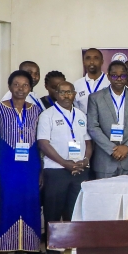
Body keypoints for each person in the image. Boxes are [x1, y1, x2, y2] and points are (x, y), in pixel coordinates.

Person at [0, 70, 42, 254]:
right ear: (9, 86)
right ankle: (3, 252)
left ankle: (23, 249)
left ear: (30, 88)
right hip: (6, 163)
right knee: (6, 204)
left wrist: (41, 169)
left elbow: (40, 141)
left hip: (30, 165)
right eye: (16, 84)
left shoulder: (36, 110)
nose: (20, 89)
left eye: (25, 85)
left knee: (28, 204)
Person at [36, 80, 92, 244]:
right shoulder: (47, 115)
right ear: (56, 94)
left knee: (75, 211)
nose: (66, 95)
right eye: (62, 92)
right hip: (56, 171)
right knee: (53, 211)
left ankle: (71, 246)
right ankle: (51, 248)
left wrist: (86, 160)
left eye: (69, 92)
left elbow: (88, 142)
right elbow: (43, 143)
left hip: (80, 170)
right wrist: (64, 163)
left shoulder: (81, 115)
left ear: (75, 94)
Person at [87, 61, 128, 178]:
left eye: (123, 75)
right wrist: (112, 149)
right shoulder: (95, 98)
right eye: (114, 75)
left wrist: (127, 147)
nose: (119, 78)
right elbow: (92, 127)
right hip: (104, 160)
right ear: (108, 76)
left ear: (127, 76)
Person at [75, 49, 109, 114]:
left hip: (105, 123)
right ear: (84, 62)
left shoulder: (110, 82)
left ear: (102, 62)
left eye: (96, 58)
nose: (91, 62)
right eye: (88, 58)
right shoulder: (77, 85)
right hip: (84, 122)